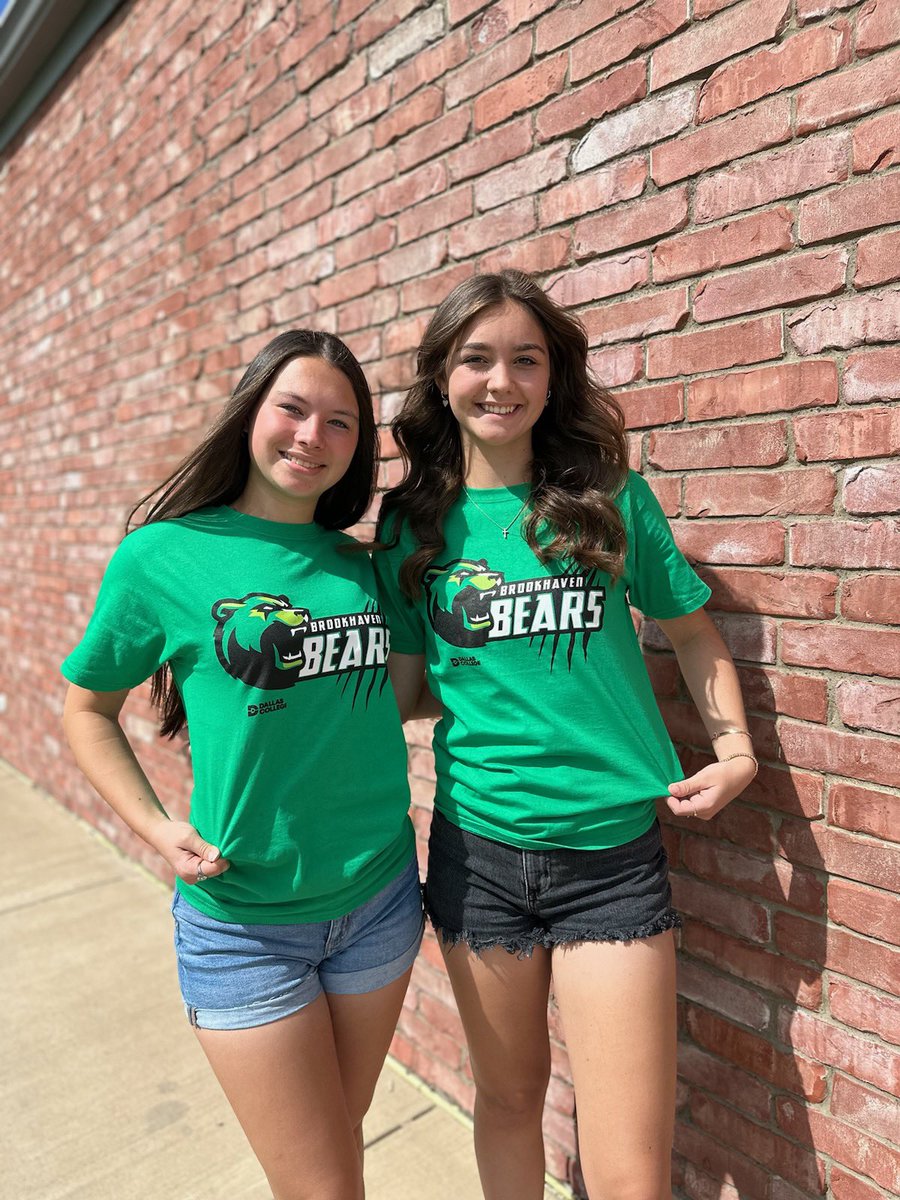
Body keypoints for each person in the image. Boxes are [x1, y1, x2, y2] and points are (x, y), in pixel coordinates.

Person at [372, 271, 757, 1200]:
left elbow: (692, 625)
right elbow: (414, 692)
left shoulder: (609, 497)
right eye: (475, 358)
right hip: (479, 854)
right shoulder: (412, 525)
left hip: (611, 859)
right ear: (441, 377)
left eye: (525, 360)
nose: (499, 381)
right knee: (508, 1106)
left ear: (553, 380)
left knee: (631, 1175)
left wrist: (736, 747)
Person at [62, 330, 423, 1200]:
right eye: (293, 409)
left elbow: (410, 693)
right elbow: (87, 709)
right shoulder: (164, 555)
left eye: (341, 423)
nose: (312, 436)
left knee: (339, 1144)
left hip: (378, 899)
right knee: (324, 1186)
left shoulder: (361, 563)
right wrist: (156, 826)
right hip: (244, 923)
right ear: (250, 412)